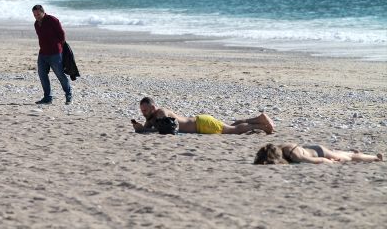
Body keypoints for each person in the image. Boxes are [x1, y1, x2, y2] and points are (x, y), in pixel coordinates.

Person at [132, 96, 275, 134]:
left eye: (145, 110)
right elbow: (148, 129)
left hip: (202, 125)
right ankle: (258, 119)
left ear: (153, 107)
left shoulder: (161, 112)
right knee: (228, 126)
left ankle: (263, 127)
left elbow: (166, 129)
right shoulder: (151, 118)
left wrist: (143, 129)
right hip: (201, 122)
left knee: (233, 130)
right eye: (141, 110)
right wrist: (141, 127)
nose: (142, 113)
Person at [32, 5, 72, 105]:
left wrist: (58, 47)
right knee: (42, 75)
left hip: (55, 53)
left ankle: (68, 94)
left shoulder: (52, 20)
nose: (36, 16)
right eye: (34, 15)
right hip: (42, 53)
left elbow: (61, 35)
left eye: (38, 14)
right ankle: (47, 98)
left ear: (43, 12)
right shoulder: (36, 24)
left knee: (60, 75)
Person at [254, 143, 383, 164]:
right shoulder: (278, 148)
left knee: (348, 158)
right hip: (312, 149)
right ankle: (354, 152)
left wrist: (331, 162)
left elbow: (319, 161)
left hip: (319, 152)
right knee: (340, 153)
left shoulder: (294, 155)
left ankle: (374, 158)